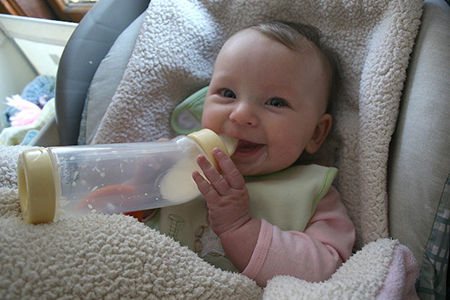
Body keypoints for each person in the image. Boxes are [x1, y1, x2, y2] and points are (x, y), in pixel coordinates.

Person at [146, 20, 355, 287]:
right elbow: (122, 223)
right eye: (227, 93)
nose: (241, 114)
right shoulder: (183, 165)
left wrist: (240, 229)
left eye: (276, 102)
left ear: (315, 134)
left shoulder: (312, 192)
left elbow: (328, 274)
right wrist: (145, 181)